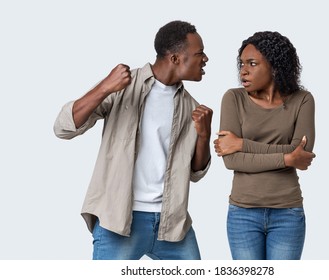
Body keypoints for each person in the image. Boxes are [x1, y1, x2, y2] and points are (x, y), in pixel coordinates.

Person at [54, 20, 212, 260]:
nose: (206, 59)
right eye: (199, 53)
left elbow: (196, 173)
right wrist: (105, 87)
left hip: (173, 224)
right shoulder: (123, 86)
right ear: (175, 58)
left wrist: (204, 135)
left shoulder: (192, 107)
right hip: (119, 221)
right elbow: (63, 128)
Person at [213, 31, 315, 260]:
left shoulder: (303, 100)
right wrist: (287, 158)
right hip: (243, 214)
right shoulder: (233, 98)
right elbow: (232, 160)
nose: (243, 71)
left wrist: (241, 144)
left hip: (287, 213)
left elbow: (303, 155)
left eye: (252, 63)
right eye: (241, 64)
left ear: (275, 67)